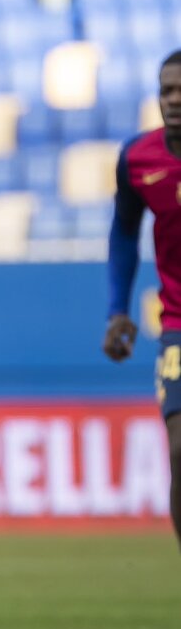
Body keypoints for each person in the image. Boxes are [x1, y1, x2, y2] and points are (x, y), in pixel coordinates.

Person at [103, 48, 181, 549]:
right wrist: (117, 310)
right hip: (178, 323)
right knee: (180, 450)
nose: (173, 100)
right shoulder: (138, 159)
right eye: (166, 90)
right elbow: (124, 233)